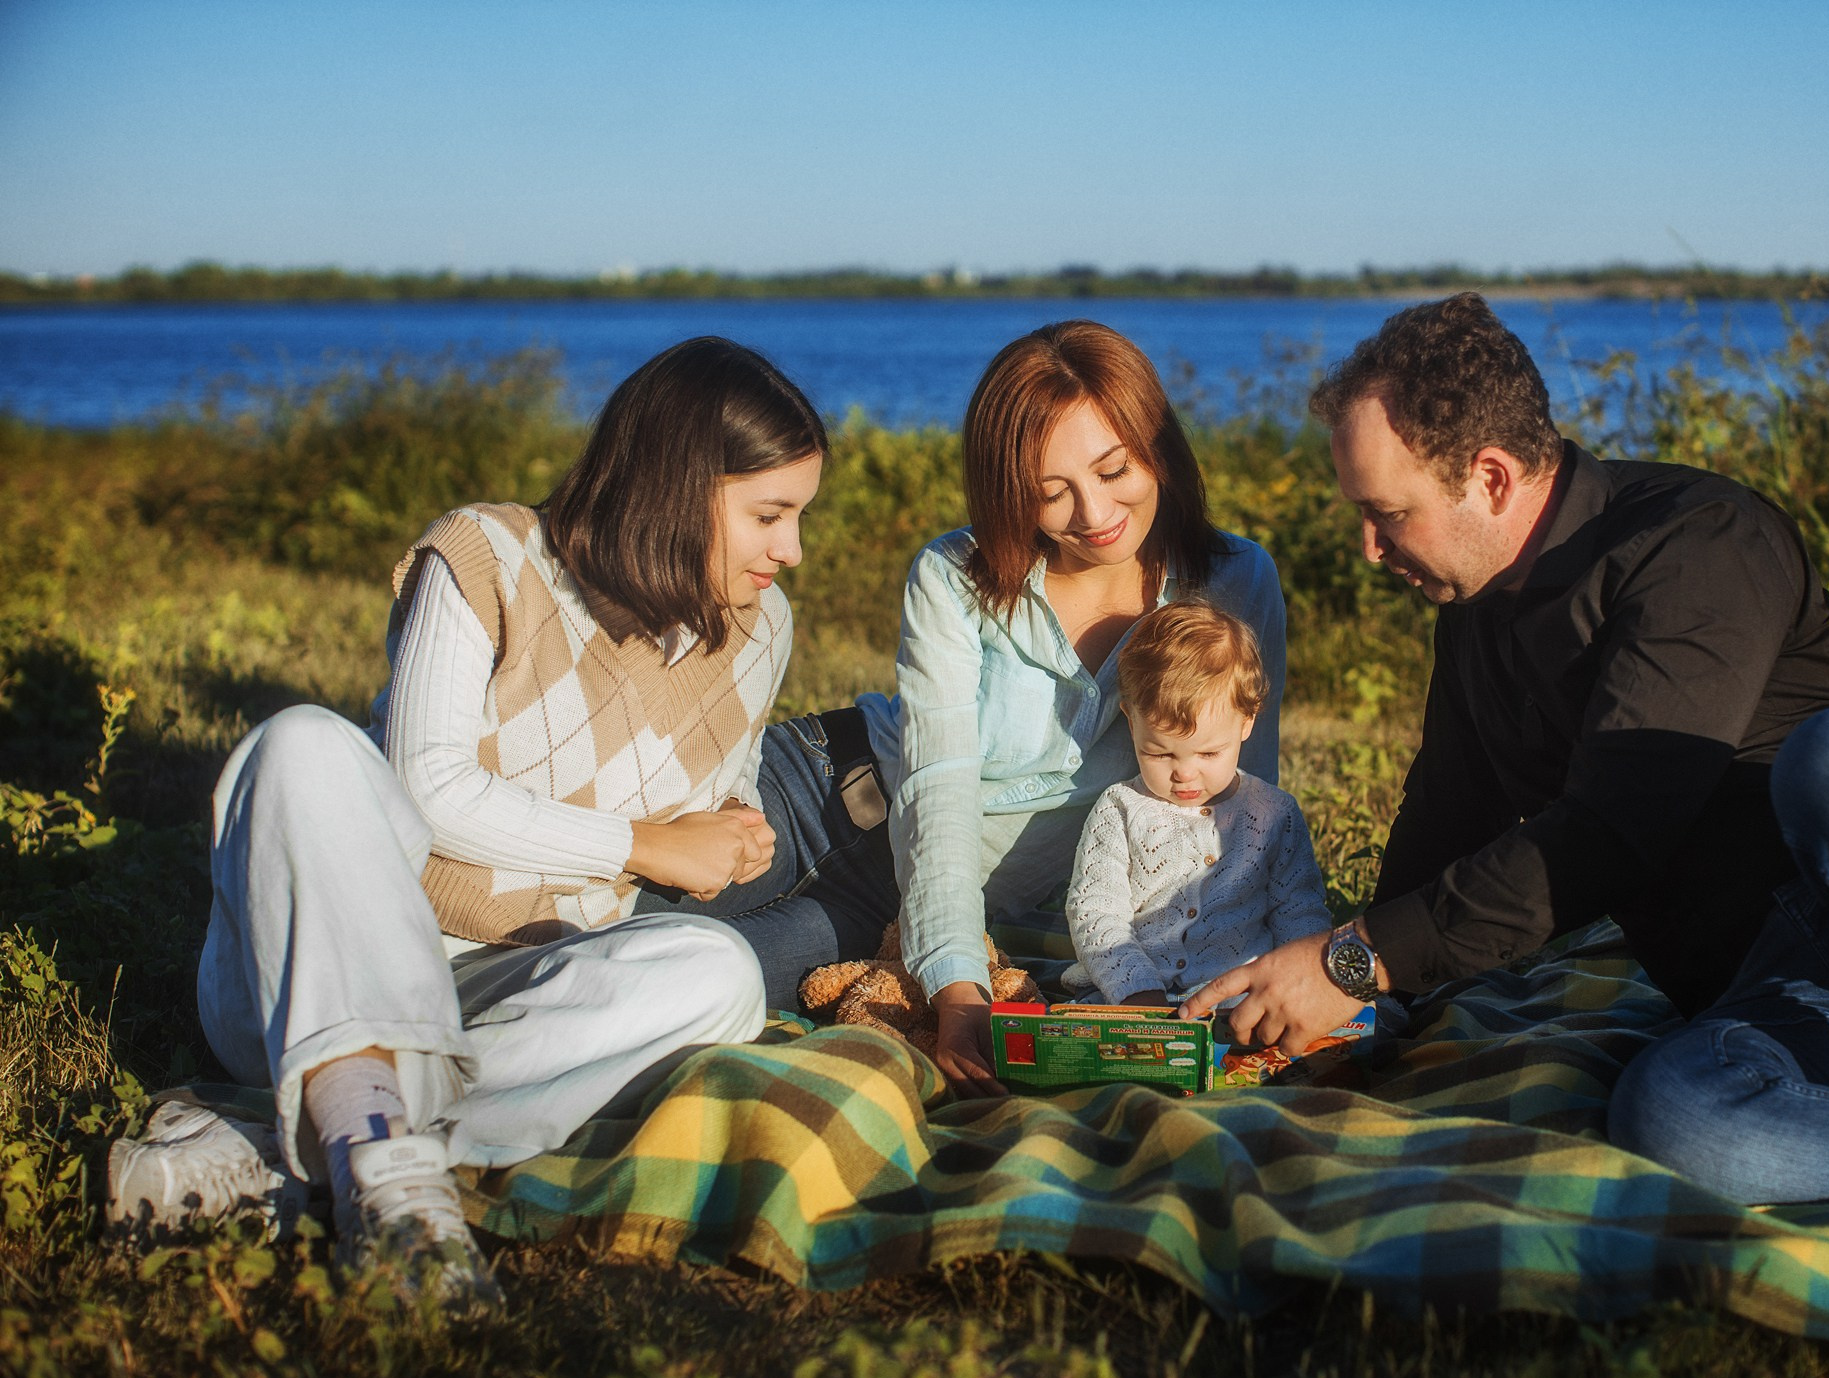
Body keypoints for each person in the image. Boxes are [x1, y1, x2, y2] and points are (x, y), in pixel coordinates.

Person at [1182, 293, 1829, 1331]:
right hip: (1807, 1007)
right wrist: (1352, 999)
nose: (1365, 546)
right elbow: (1441, 832)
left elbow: (1613, 833)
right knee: (1672, 1118)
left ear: (1487, 476)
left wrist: (1356, 959)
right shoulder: (1472, 622)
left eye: (1385, 513)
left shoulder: (1699, 541)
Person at [107, 336, 827, 1307]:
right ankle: (377, 1146)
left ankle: (322, 1161)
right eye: (769, 516)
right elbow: (427, 788)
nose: (790, 550)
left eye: (797, 517)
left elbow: (699, 796)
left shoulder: (760, 629)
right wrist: (645, 845)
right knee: (303, 743)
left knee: (718, 973)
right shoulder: (487, 556)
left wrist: (728, 830)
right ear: (676, 484)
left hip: (511, 990)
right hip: (319, 972)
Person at [852, 320, 1290, 1096]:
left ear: (1158, 443)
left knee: (706, 966)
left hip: (1024, 918)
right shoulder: (952, 578)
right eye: (1050, 492)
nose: (1094, 513)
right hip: (851, 822)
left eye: (1115, 468)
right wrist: (958, 991)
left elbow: (1238, 812)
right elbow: (937, 793)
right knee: (706, 952)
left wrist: (1238, 978)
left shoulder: (1233, 578)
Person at [1059, 600, 1331, 1007]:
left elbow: (1299, 912)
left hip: (1240, 994)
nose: (1184, 774)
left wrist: (1306, 982)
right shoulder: (1120, 808)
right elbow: (1095, 913)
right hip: (1133, 993)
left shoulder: (1273, 814)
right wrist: (1136, 989)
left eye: (1207, 754)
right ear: (1132, 723)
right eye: (1160, 754)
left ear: (1246, 722)